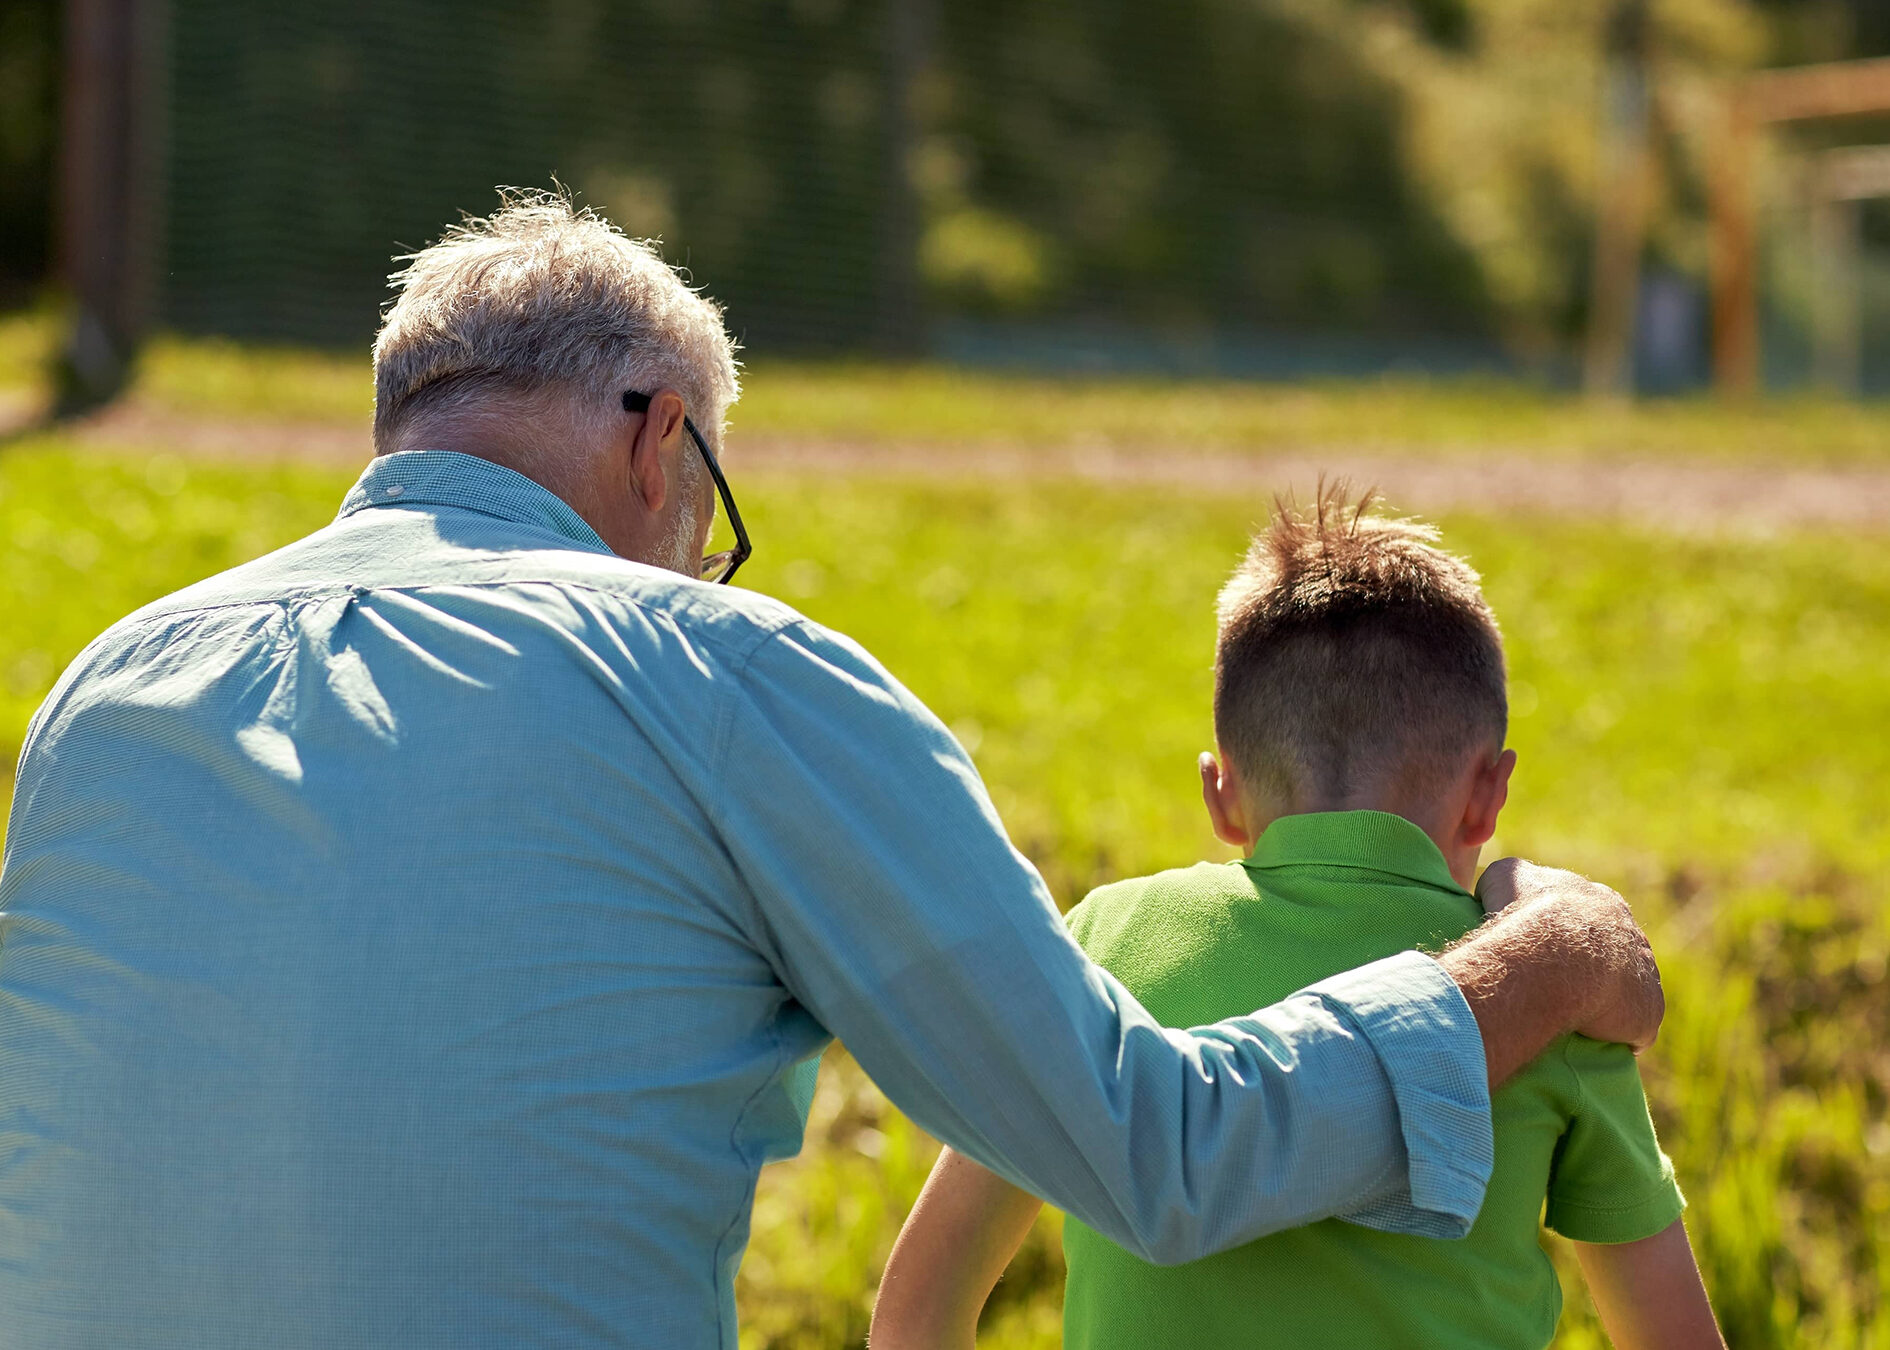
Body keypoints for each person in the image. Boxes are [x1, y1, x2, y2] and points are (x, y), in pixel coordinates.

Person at [0, 192, 1663, 1350]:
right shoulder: (719, 670)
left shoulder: (103, 690)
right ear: (663, 438)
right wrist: (1547, 956)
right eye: (709, 506)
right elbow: (1160, 1152)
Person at [871, 488, 1722, 1350]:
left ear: (1221, 792)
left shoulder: (1106, 942)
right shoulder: (1554, 1004)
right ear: (1488, 794)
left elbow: (919, 1310)